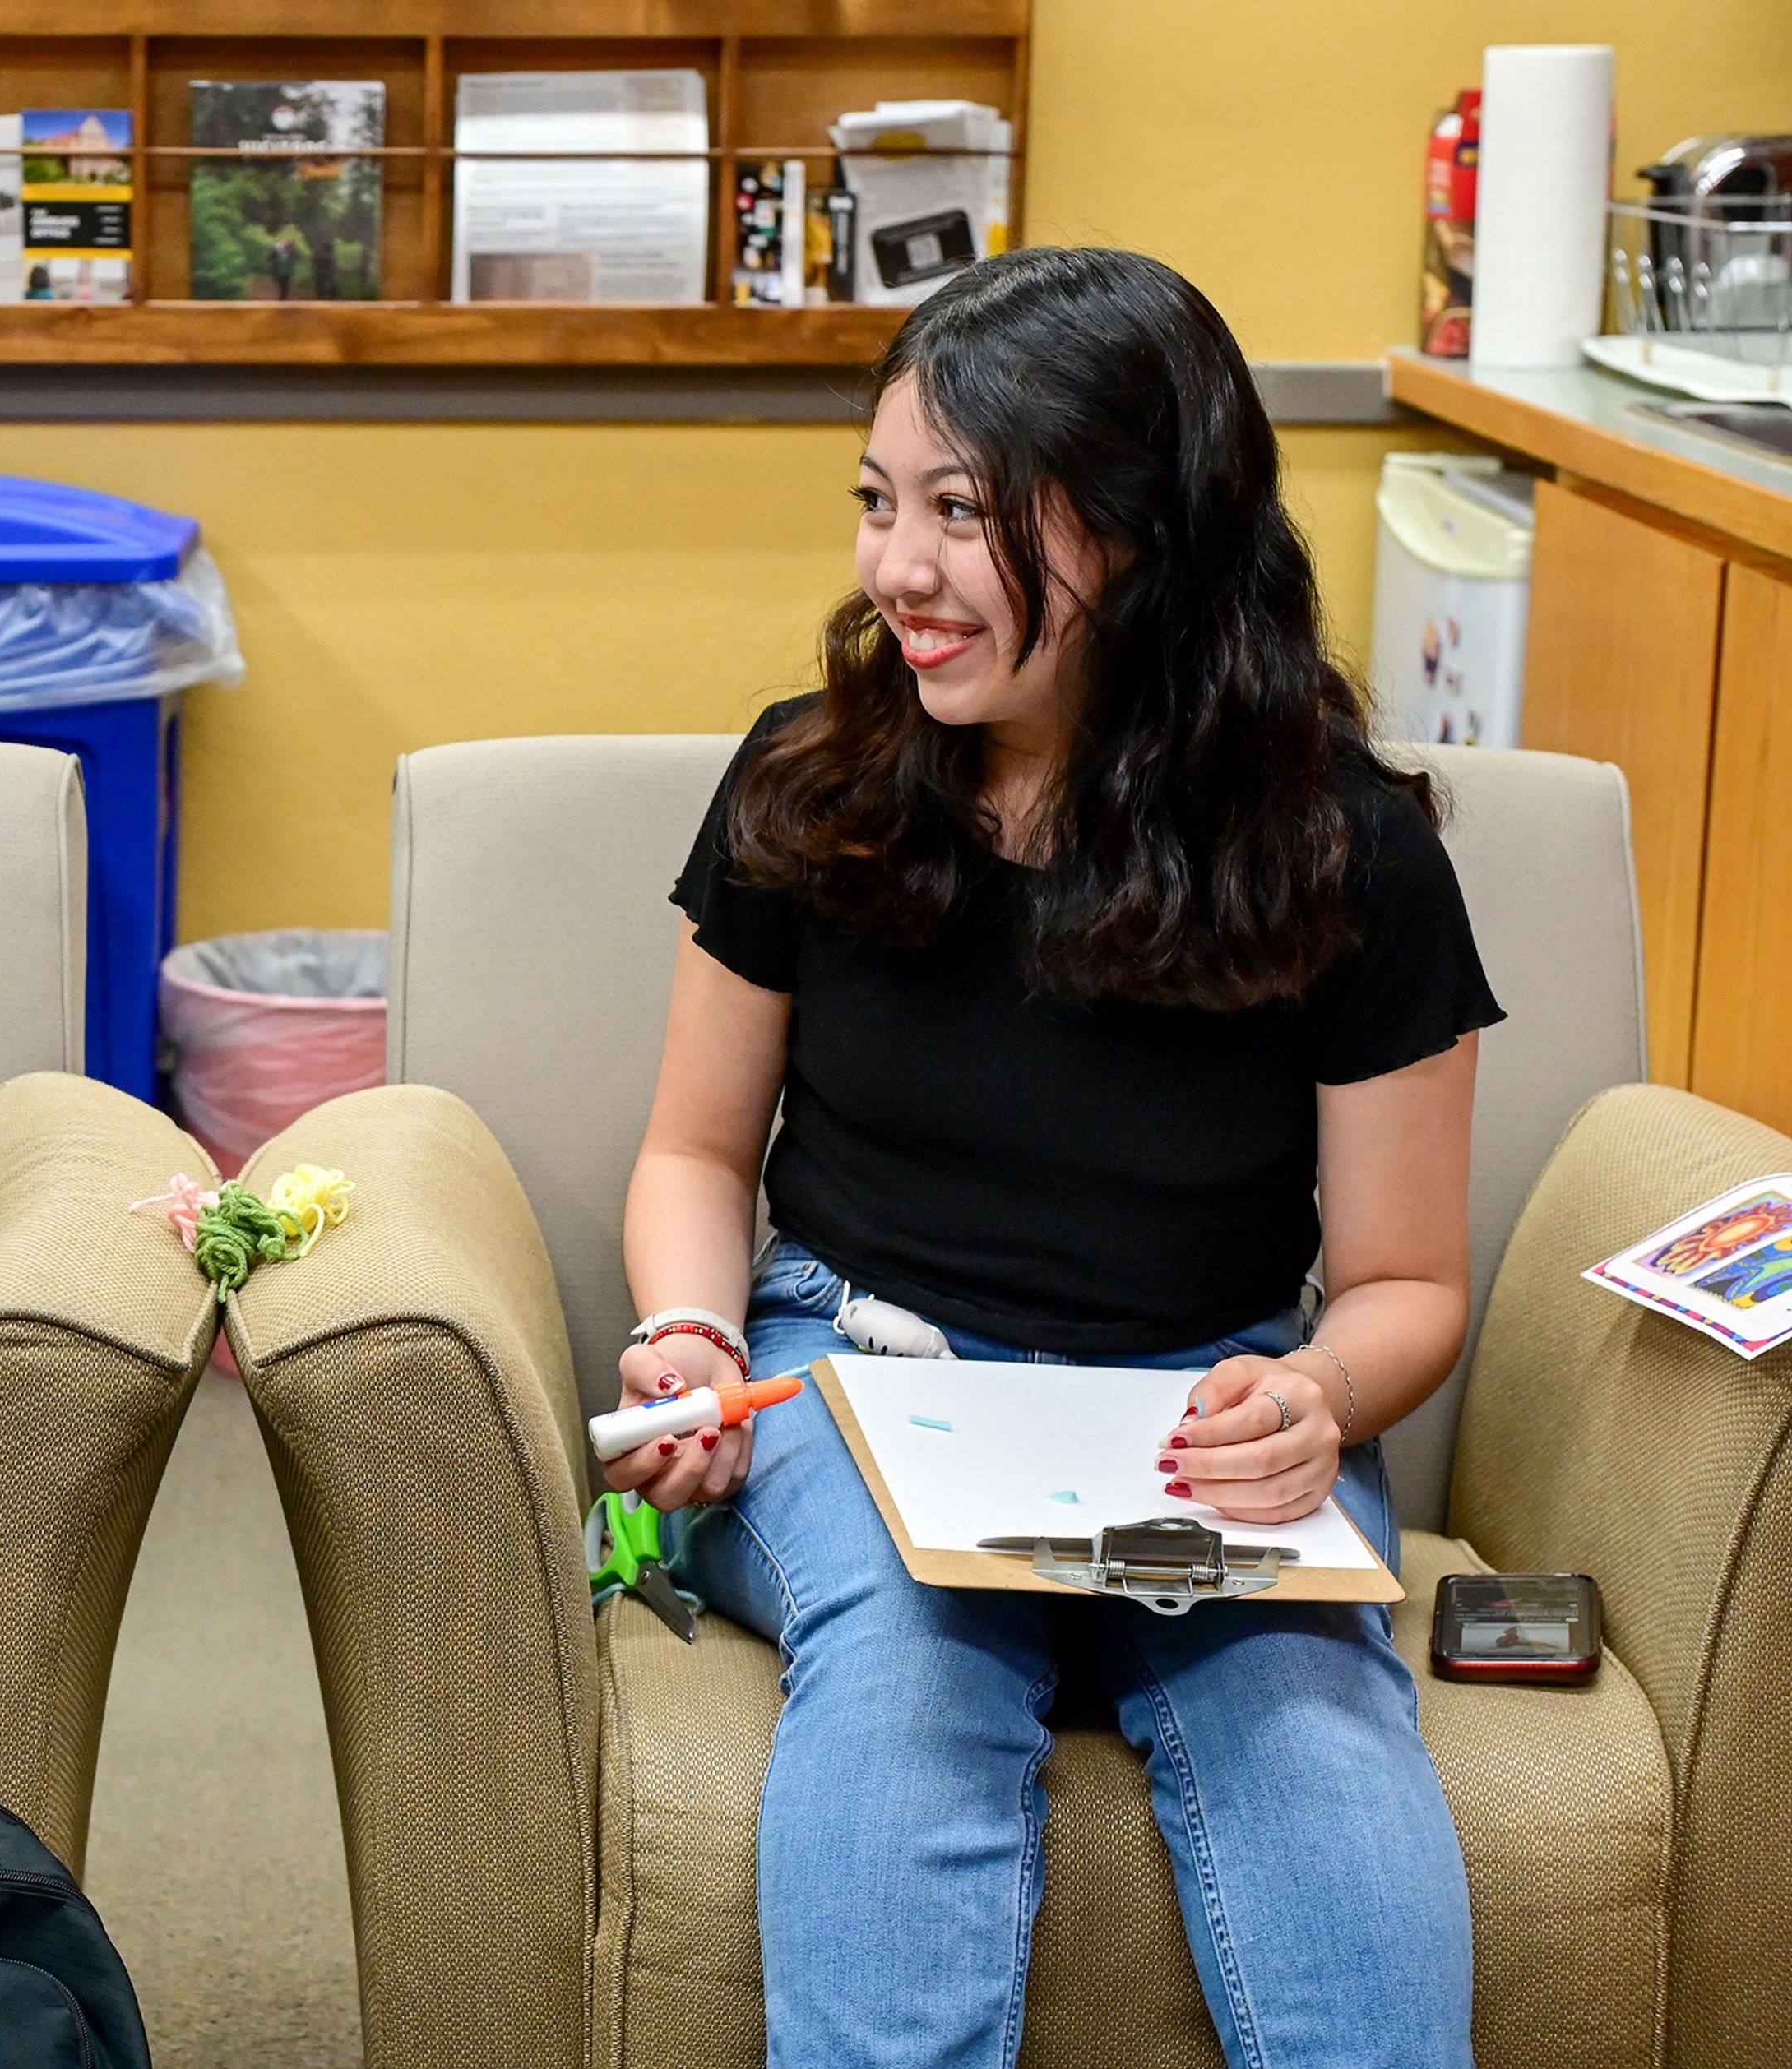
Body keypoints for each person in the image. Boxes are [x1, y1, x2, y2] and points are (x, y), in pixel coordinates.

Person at [617, 246, 1493, 2069]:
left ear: (1140, 532)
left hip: (1200, 1397)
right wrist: (695, 1340)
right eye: (879, 503)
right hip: (859, 1362)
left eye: (963, 511)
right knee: (918, 1672)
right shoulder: (815, 782)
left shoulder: (1346, 854)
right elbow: (695, 1153)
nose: (899, 571)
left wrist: (1318, 1397)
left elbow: (1409, 1285)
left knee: (1312, 1720)